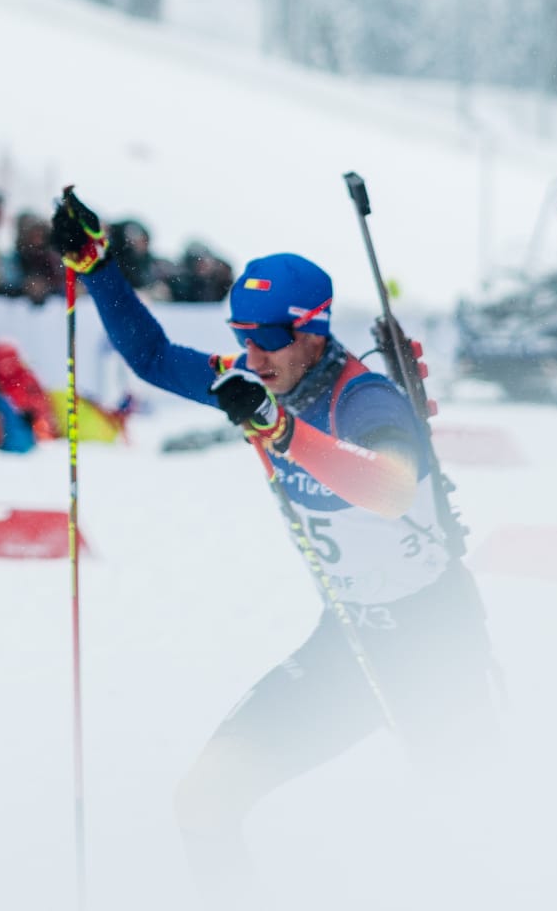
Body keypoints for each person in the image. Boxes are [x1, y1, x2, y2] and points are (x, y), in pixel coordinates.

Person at [47, 187, 490, 889]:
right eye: (240, 336)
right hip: (349, 639)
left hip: (437, 641)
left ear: (314, 331)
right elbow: (156, 358)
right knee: (203, 799)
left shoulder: (364, 399)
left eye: (268, 339)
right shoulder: (255, 385)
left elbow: (391, 486)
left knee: (471, 835)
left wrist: (283, 433)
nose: (251, 354)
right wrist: (99, 267)